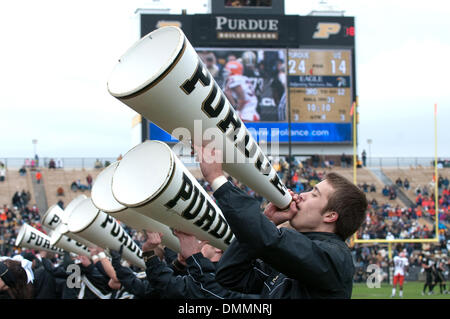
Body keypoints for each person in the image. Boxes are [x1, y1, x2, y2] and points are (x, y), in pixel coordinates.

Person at [195, 145, 368, 298]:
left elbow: (272, 241)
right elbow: (230, 275)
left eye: (314, 194)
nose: (302, 195)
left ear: (330, 216)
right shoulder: (289, 259)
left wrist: (218, 180)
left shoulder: (335, 258)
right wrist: (268, 221)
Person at [142, 230, 260, 299]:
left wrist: (194, 257)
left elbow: (165, 285)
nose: (199, 244)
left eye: (203, 241)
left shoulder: (235, 275)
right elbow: (158, 287)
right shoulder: (196, 275)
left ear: (218, 249)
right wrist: (179, 264)